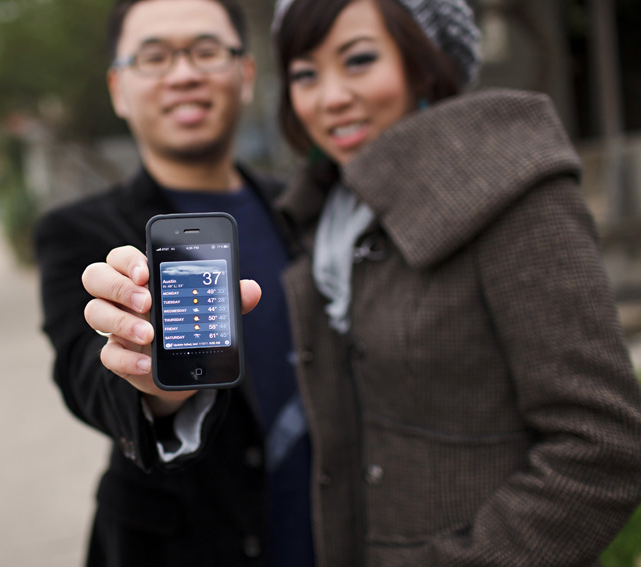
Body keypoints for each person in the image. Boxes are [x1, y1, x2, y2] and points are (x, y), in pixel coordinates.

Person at [265, 0, 641, 565]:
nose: (331, 96)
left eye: (360, 59)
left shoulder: (510, 193)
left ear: (426, 62)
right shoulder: (327, 215)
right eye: (304, 73)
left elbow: (602, 446)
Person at [34, 0, 314, 565]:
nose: (184, 73)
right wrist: (152, 384)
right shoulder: (76, 232)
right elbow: (82, 370)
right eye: (155, 56)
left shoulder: (304, 205)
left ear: (246, 75)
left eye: (207, 51)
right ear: (118, 88)